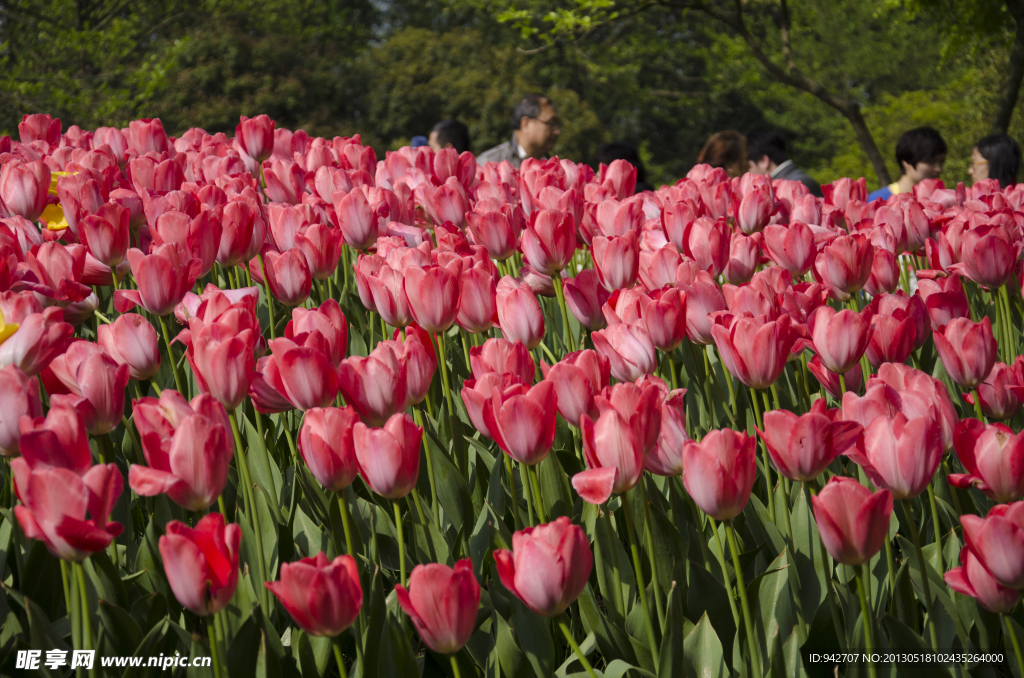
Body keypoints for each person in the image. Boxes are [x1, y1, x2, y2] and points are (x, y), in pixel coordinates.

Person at [477, 94, 561, 169]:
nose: (557, 131)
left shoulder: (557, 169)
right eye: (551, 123)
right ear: (526, 124)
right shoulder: (488, 164)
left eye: (557, 125)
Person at [867, 126, 947, 202]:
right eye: (930, 162)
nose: (938, 169)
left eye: (941, 162)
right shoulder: (877, 200)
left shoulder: (944, 199)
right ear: (907, 161)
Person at [746, 129, 822, 196]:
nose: (748, 172)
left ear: (763, 160)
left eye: (749, 166)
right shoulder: (800, 179)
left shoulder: (797, 185)